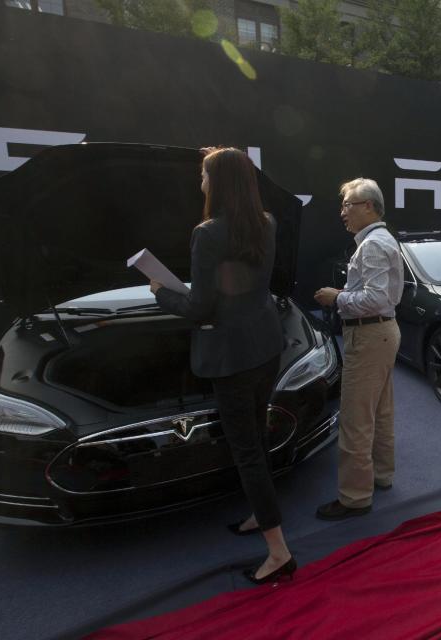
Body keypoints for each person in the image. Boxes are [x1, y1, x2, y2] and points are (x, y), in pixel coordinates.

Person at [151, 147, 294, 586]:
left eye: (204, 176)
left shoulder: (207, 233)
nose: (201, 184)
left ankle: (279, 553)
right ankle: (260, 512)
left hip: (231, 357)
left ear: (219, 183)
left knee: (246, 450)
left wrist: (161, 291)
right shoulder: (267, 223)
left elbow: (198, 306)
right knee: (256, 439)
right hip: (266, 346)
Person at [314, 178, 402, 520]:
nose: (342, 213)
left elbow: (377, 298)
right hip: (380, 334)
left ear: (369, 206)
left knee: (356, 419)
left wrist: (338, 297)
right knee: (380, 410)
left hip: (369, 336)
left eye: (348, 205)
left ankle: (354, 497)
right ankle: (381, 476)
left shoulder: (373, 245)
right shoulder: (379, 240)